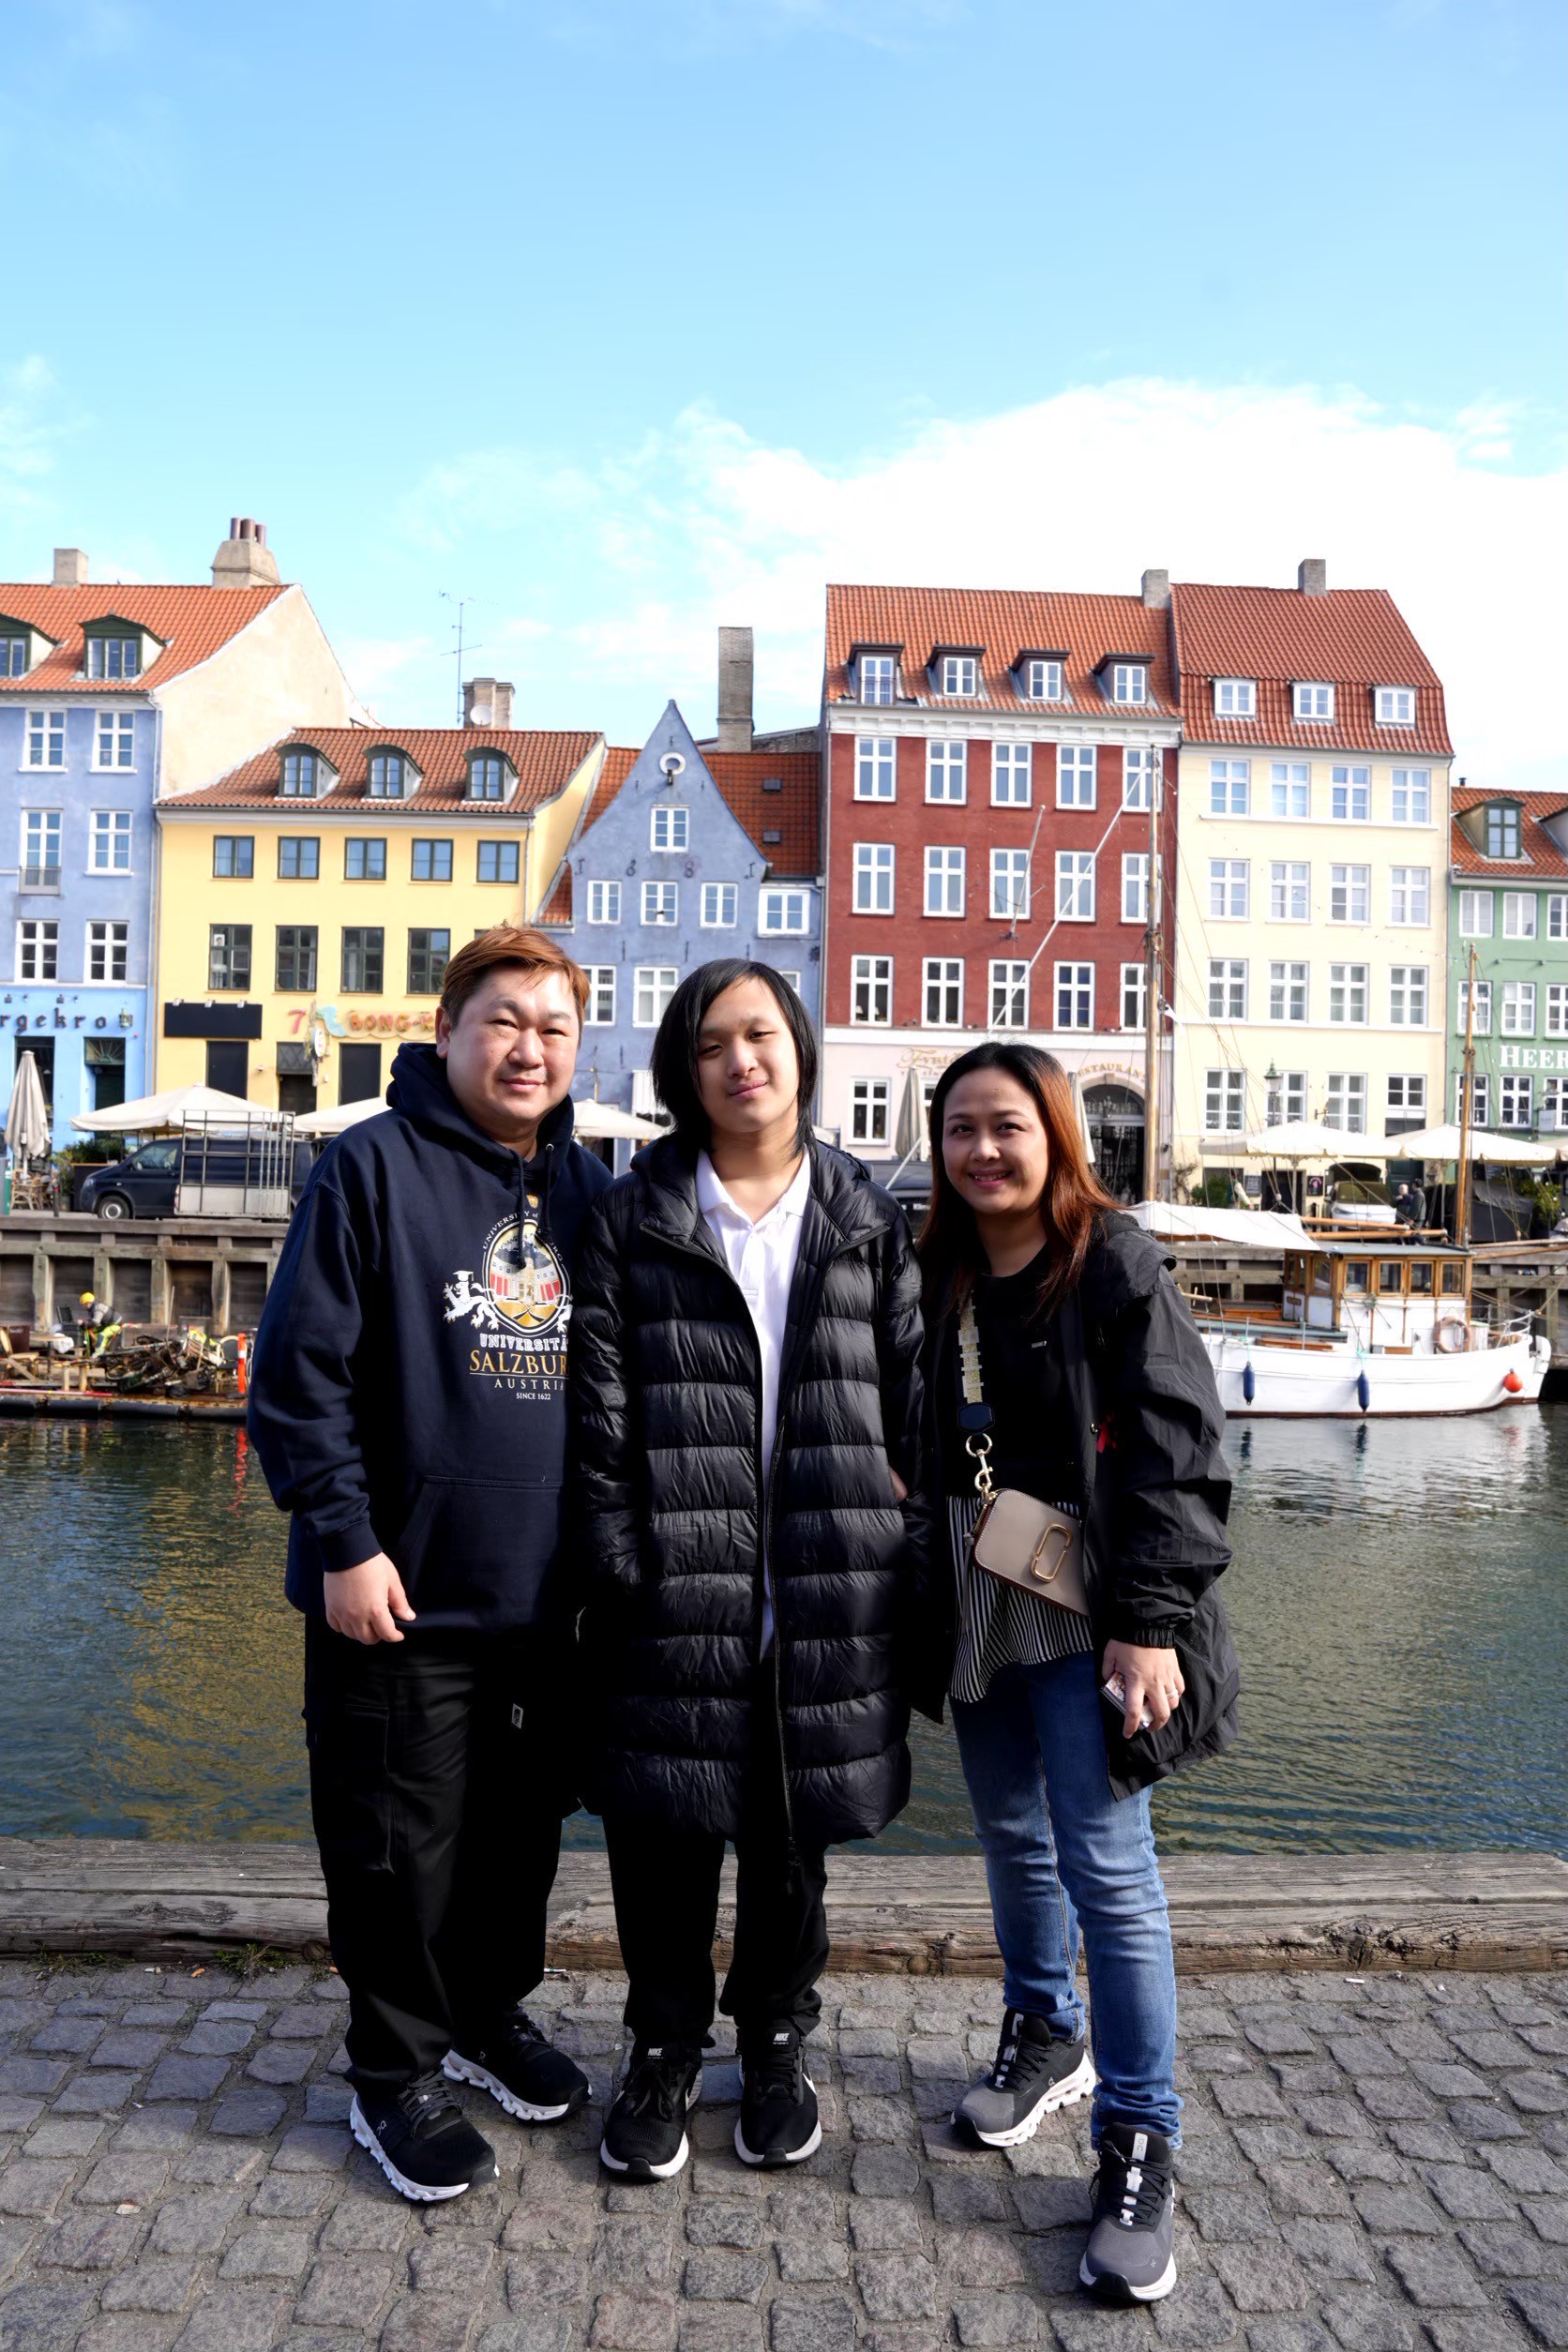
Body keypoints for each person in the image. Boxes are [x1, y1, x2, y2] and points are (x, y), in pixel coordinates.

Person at [249, 928, 612, 2205]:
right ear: (448, 1030)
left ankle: (483, 2013)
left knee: (517, 1840)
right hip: (396, 1596)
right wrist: (344, 1541)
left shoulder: (589, 1192)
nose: (529, 1049)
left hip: (545, 1604)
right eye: (504, 1020)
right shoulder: (369, 1168)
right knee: (395, 1847)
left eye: (554, 1028)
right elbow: (297, 1376)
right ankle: (392, 2069)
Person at [570, 960, 927, 2181]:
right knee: (661, 1841)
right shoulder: (636, 1216)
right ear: (685, 1068)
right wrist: (621, 1563)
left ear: (800, 1050)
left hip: (825, 1579)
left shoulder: (862, 1213)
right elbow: (599, 1417)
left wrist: (897, 1541)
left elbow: (910, 1395)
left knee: (790, 1845)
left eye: (761, 1034)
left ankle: (775, 2043)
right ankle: (663, 2049)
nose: (742, 1061)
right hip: (675, 1580)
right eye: (714, 1042)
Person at [913, 1042, 1237, 2308]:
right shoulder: (937, 1265)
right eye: (961, 1129)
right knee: (1009, 1831)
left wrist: (1148, 1622)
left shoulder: (1113, 1262)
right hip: (977, 1579)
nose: (983, 1151)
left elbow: (1177, 1443)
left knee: (1108, 1865)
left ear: (1057, 1133)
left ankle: (1140, 2137)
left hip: (1089, 1596)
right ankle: (1046, 2030)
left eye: (1007, 1126)